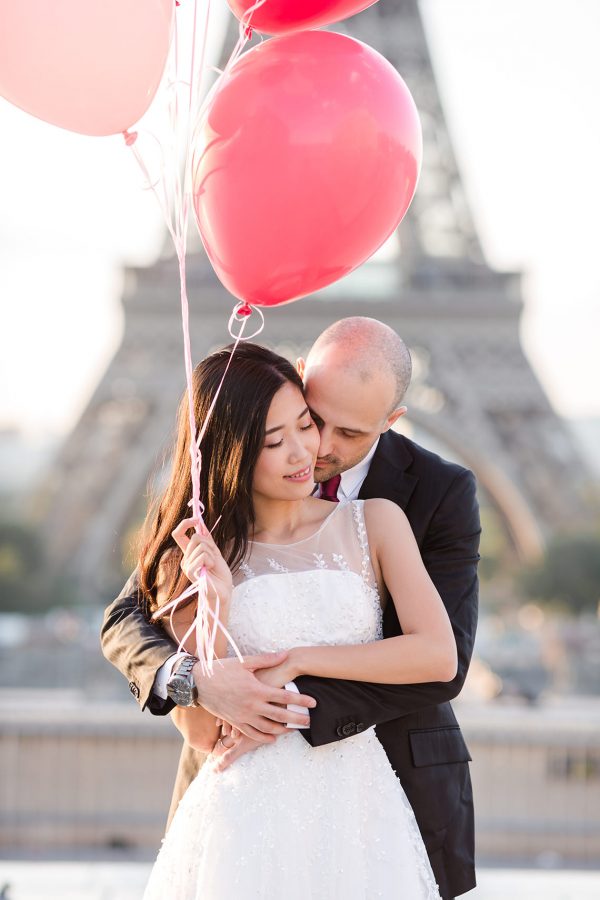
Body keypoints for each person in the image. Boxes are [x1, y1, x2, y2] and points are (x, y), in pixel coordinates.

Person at [101, 318, 481, 899]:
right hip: (238, 805)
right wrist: (199, 678)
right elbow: (129, 622)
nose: (317, 448)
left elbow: (442, 660)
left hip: (374, 791)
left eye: (344, 433)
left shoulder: (426, 498)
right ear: (299, 378)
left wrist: (279, 694)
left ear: (391, 422)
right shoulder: (206, 531)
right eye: (307, 419)